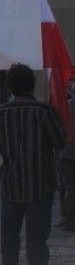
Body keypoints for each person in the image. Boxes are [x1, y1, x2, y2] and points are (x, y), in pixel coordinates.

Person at [0, 63, 68, 265]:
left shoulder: (0, 113)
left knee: (10, 240)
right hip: (40, 183)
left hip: (12, 183)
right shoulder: (42, 111)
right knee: (37, 240)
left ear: (10, 86)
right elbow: (59, 142)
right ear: (32, 84)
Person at [57, 79, 75, 230]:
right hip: (68, 153)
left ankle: (69, 219)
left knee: (69, 188)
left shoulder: (66, 108)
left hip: (67, 154)